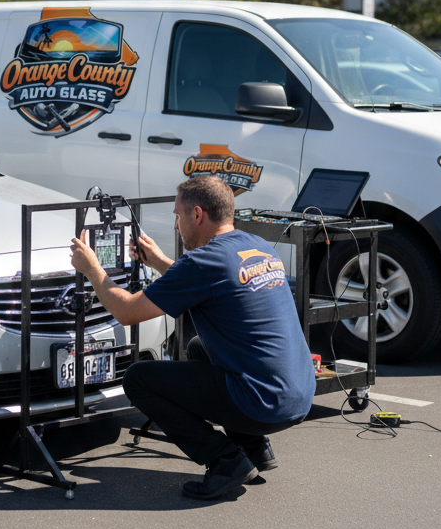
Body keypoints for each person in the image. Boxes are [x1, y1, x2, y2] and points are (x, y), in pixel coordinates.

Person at [70, 176, 316, 501]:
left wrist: (92, 270)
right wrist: (158, 262)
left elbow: (126, 311)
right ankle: (255, 449)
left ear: (197, 215)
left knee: (139, 379)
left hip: (262, 404)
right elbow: (212, 283)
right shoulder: (255, 245)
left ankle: (226, 461)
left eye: (177, 215)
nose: (175, 225)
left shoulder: (202, 262)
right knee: (199, 348)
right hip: (299, 396)